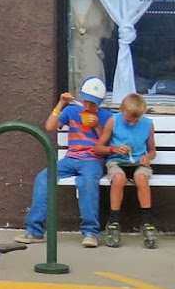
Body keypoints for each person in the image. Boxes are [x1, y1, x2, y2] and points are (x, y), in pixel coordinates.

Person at [22, 76, 109, 247]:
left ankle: (91, 232)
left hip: (92, 160)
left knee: (87, 182)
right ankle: (34, 230)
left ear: (99, 103)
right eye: (86, 102)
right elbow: (49, 126)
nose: (88, 106)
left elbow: (105, 144)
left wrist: (97, 125)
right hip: (70, 158)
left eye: (93, 104)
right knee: (43, 177)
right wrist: (61, 104)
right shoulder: (71, 111)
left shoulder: (106, 116)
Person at [100, 92, 158, 249]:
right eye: (128, 120)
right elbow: (98, 148)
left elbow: (152, 150)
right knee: (118, 178)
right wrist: (114, 149)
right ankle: (114, 221)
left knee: (141, 178)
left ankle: (147, 221)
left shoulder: (147, 124)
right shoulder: (113, 121)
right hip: (117, 161)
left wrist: (148, 157)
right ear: (121, 110)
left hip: (138, 162)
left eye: (136, 121)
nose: (132, 123)